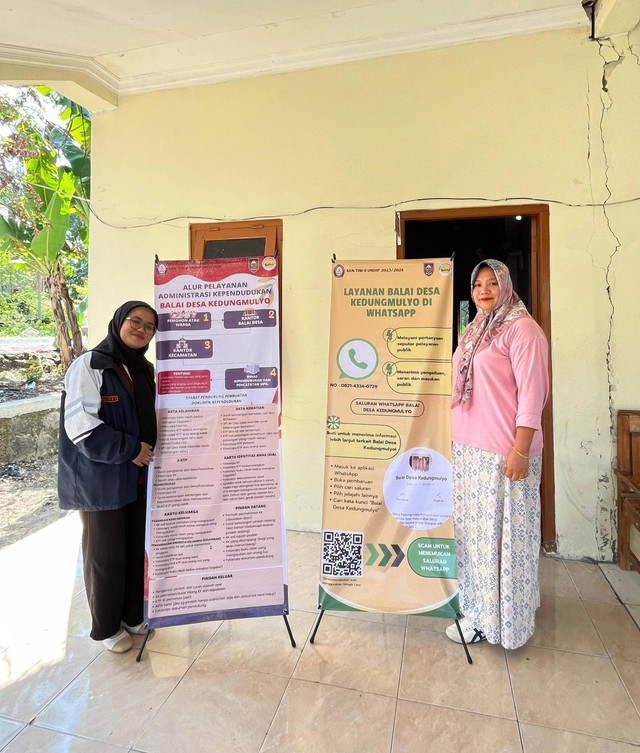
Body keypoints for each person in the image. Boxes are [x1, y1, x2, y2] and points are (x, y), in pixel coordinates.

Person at [447, 260, 549, 650]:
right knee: (474, 542)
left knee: (506, 545)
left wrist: (521, 450)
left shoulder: (523, 331)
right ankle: (477, 612)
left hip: (505, 454)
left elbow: (532, 396)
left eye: (492, 283)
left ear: (506, 286)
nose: (484, 291)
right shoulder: (475, 331)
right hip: (471, 454)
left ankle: (506, 623)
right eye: (478, 285)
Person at [58, 301, 158, 653]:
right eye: (135, 321)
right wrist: (130, 449)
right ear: (118, 321)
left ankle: (132, 616)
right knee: (105, 556)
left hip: (136, 478)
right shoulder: (90, 365)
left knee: (133, 550)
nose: (141, 330)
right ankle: (106, 628)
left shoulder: (144, 369)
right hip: (100, 480)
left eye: (149, 326)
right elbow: (80, 427)